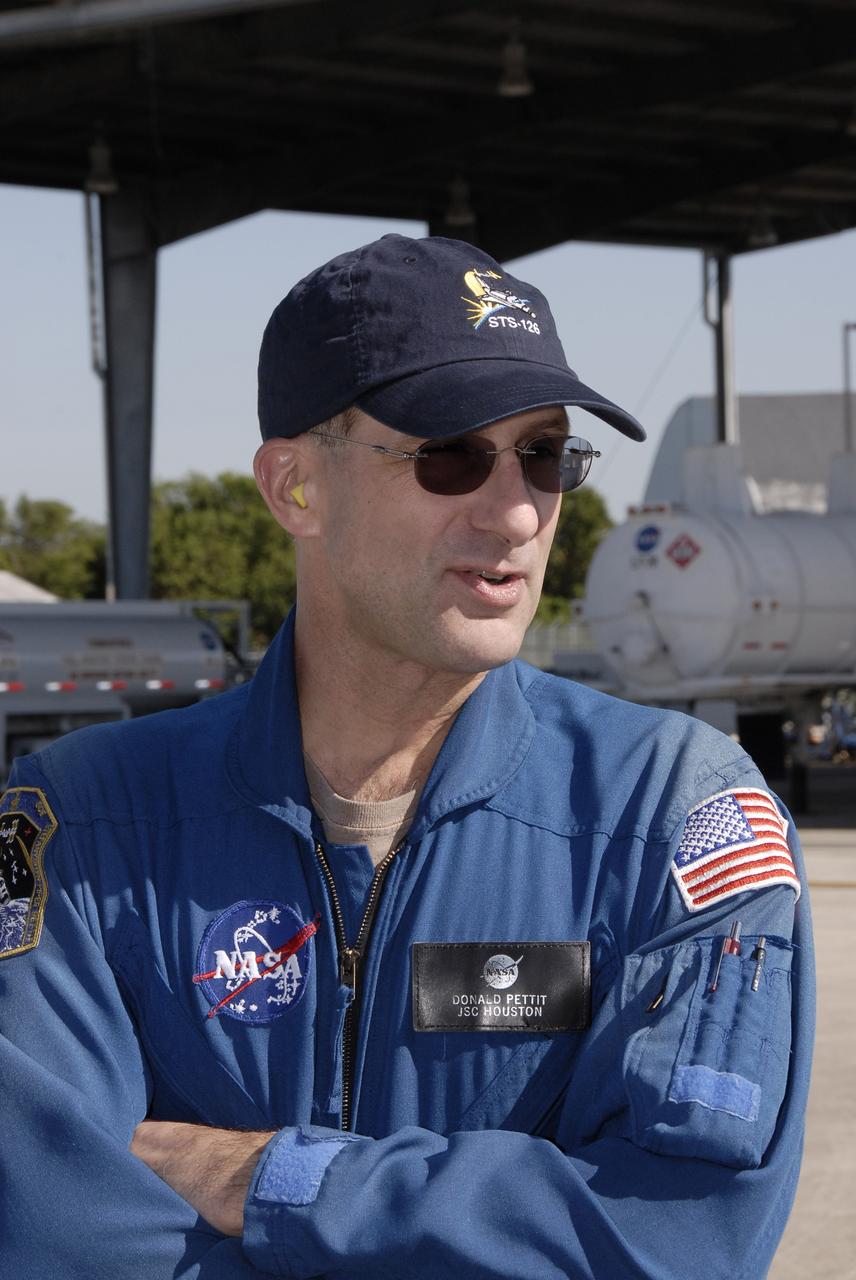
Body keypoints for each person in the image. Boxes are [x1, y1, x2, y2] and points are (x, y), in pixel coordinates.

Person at [0, 234, 813, 1279]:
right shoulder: (82, 821)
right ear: (295, 487)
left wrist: (283, 1184)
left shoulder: (675, 815)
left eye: (546, 455)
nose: (515, 511)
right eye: (450, 455)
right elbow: (44, 1225)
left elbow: (679, 1235)